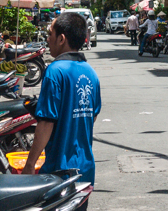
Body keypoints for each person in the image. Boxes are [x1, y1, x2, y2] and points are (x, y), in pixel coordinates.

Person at [23, 13, 101, 201]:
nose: (48, 40)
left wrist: (30, 163)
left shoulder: (55, 71)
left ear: (61, 38)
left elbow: (47, 123)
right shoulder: (91, 72)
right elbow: (93, 115)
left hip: (59, 170)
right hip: (86, 168)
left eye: (50, 34)